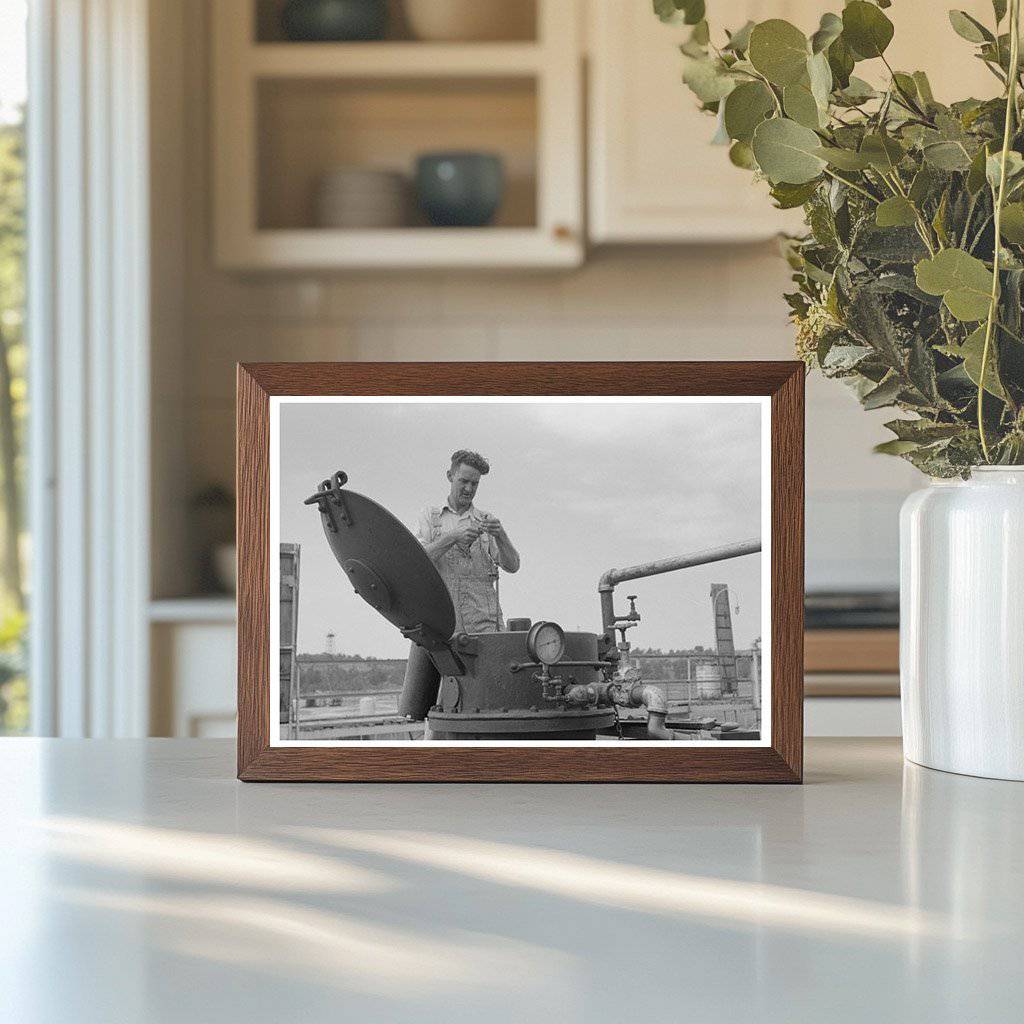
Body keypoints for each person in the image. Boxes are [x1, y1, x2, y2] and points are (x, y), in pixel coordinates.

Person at [399, 449, 520, 720]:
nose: (469, 488)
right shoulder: (431, 518)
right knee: (443, 707)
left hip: (485, 629)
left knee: (491, 702)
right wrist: (452, 537)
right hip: (445, 629)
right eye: (463, 481)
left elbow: (512, 565)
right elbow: (416, 561)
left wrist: (501, 535)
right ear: (450, 476)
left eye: (475, 484)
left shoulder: (485, 520)